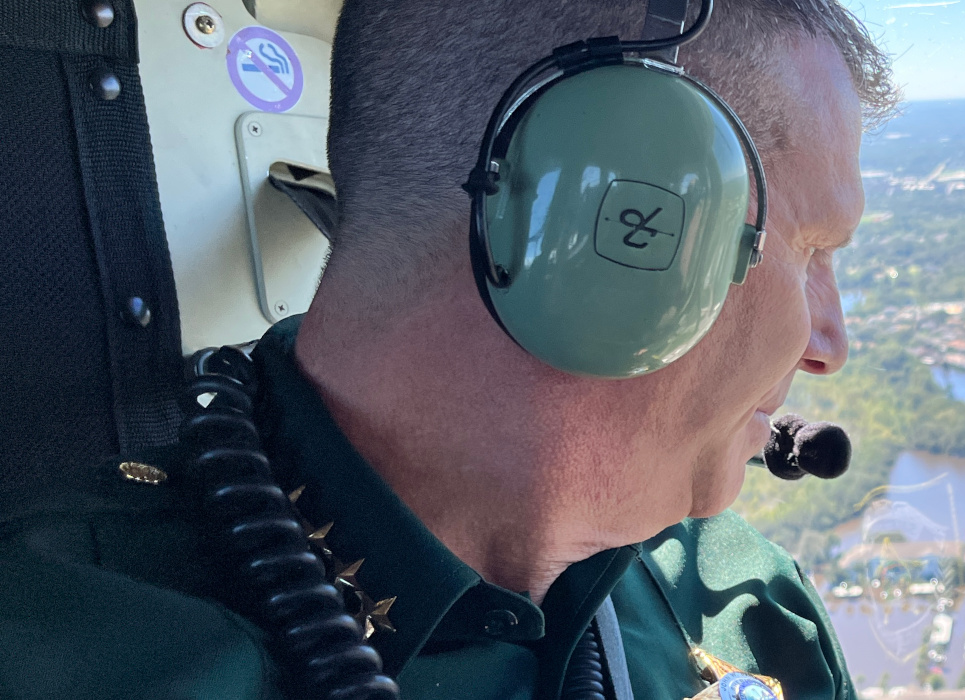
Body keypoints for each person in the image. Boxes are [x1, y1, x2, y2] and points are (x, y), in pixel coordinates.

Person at [0, 0, 897, 698]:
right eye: (814, 251)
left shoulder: (756, 614)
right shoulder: (61, 646)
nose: (830, 345)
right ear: (621, 233)